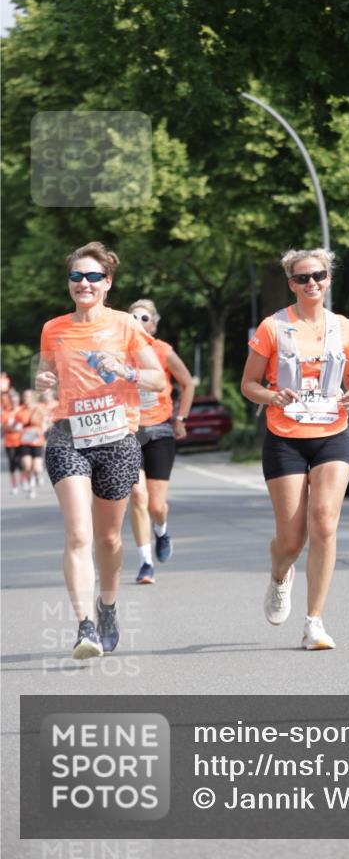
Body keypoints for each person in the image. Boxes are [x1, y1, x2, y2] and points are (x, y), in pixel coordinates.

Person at [35, 242, 165, 659]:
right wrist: (43, 381)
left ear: (107, 283)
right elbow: (48, 371)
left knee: (108, 539)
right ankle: (84, 627)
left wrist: (126, 370)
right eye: (76, 277)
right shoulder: (53, 328)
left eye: (93, 277)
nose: (84, 284)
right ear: (69, 282)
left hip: (116, 438)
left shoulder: (126, 325)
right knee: (78, 533)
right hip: (67, 435)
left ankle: (106, 606)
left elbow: (157, 379)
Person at [241, 248, 349, 650]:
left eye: (319, 275)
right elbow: (249, 384)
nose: (311, 283)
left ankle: (314, 622)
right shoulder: (272, 328)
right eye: (302, 278)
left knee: (325, 522)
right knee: (292, 541)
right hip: (285, 438)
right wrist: (273, 397)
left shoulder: (343, 328)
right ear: (291, 283)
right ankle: (280, 576)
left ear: (329, 278)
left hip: (333, 433)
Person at [127, 298, 195, 583]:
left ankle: (162, 530)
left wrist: (181, 418)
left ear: (153, 324)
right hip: (127, 432)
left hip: (159, 431)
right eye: (132, 319)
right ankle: (145, 562)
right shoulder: (117, 352)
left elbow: (187, 382)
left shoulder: (162, 350)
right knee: (137, 496)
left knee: (156, 505)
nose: (138, 323)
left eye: (144, 319)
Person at [15, 389, 48, 497]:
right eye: (24, 396)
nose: (25, 398)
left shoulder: (40, 409)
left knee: (37, 467)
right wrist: (16, 427)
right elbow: (15, 424)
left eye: (28, 396)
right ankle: (31, 487)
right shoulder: (20, 410)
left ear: (33, 397)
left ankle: (38, 475)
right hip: (25, 441)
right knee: (27, 465)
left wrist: (43, 429)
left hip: (37, 441)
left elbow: (46, 422)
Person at [2, 389, 23, 495]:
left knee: (22, 463)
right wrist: (11, 427)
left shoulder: (23, 410)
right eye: (12, 399)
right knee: (12, 464)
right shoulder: (6, 412)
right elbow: (4, 427)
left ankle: (24, 480)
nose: (14, 401)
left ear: (19, 399)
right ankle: (14, 485)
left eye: (16, 399)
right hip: (9, 442)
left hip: (23, 441)